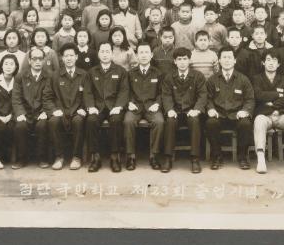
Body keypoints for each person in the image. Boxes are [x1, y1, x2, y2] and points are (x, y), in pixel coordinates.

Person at [205, 47, 254, 169]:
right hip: (219, 114)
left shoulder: (243, 79)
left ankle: (242, 157)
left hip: (237, 115)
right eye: (224, 57)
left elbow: (250, 99)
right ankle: (217, 156)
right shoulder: (212, 80)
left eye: (230, 57)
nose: (227, 60)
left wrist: (245, 111)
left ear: (235, 60)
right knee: (210, 123)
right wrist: (210, 109)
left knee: (246, 124)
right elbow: (208, 98)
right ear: (219, 60)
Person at [84, 42, 128, 173]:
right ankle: (95, 157)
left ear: (112, 54)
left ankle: (115, 157)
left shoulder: (121, 71)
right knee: (91, 120)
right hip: (97, 107)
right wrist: (90, 107)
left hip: (114, 106)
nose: (105, 54)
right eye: (102, 51)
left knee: (116, 120)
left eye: (107, 51)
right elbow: (87, 92)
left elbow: (124, 91)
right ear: (98, 54)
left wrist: (119, 106)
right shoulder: (91, 72)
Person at [160, 46, 206, 174]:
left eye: (185, 59)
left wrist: (196, 110)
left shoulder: (198, 76)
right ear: (175, 61)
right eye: (179, 59)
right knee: (170, 121)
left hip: (191, 110)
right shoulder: (169, 77)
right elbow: (166, 95)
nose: (182, 62)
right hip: (175, 110)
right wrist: (169, 109)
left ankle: (195, 159)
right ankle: (168, 158)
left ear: (189, 60)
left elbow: (202, 95)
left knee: (195, 121)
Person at [43, 43, 88, 171]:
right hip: (60, 111)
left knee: (78, 121)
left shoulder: (84, 74)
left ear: (76, 57)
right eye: (66, 56)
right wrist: (53, 110)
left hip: (77, 111)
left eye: (71, 55)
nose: (69, 58)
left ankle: (76, 157)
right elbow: (47, 97)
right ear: (62, 58)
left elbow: (89, 95)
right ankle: (59, 157)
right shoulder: (54, 75)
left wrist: (84, 108)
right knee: (53, 121)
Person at [123, 41, 165, 170]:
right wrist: (129, 103)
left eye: (146, 52)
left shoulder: (158, 73)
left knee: (159, 121)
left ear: (151, 55)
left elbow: (162, 92)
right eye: (141, 52)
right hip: (135, 106)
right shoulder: (131, 73)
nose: (144, 55)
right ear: (137, 55)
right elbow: (125, 91)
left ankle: (154, 156)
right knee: (128, 121)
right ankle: (131, 156)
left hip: (151, 106)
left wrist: (157, 104)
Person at [11, 47, 51, 168]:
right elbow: (16, 98)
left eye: (40, 58)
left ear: (44, 60)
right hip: (26, 112)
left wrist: (45, 111)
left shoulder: (49, 76)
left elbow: (50, 97)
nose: (38, 61)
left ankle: (42, 158)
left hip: (41, 112)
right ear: (29, 61)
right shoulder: (20, 76)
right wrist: (20, 113)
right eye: (34, 59)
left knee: (42, 125)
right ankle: (21, 159)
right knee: (20, 126)